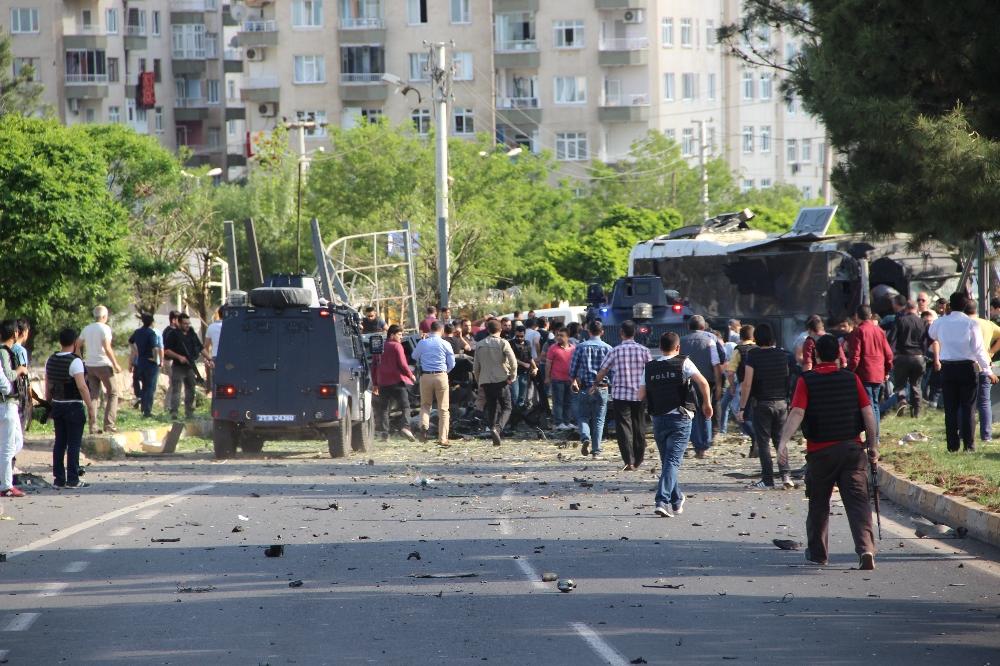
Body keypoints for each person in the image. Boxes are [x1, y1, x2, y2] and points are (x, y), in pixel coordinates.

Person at [776, 334, 879, 570]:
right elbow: (868, 414)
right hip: (852, 450)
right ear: (838, 355)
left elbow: (797, 413)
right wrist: (872, 446)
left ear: (816, 355)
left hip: (820, 453)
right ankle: (866, 549)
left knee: (819, 504)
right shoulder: (851, 379)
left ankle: (818, 554)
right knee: (858, 502)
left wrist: (783, 443)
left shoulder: (807, 380)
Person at [641, 332, 713, 518]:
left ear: (660, 348)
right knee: (672, 462)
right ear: (678, 347)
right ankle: (662, 500)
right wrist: (707, 404)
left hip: (658, 419)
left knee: (668, 463)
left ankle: (677, 498)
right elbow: (703, 382)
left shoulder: (649, 367)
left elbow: (640, 395)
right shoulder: (684, 362)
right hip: (680, 417)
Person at [928, 292, 998, 452]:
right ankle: (969, 445)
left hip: (948, 367)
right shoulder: (971, 324)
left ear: (949, 305)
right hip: (968, 367)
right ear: (966, 306)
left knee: (950, 408)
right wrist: (987, 370)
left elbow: (931, 333)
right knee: (968, 408)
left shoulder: (941, 322)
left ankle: (952, 445)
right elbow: (979, 349)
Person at [737, 323, 794, 489]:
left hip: (762, 403)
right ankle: (786, 475)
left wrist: (742, 408)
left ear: (756, 338)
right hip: (782, 402)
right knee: (780, 441)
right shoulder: (783, 354)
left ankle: (768, 480)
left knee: (763, 442)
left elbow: (747, 383)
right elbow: (788, 377)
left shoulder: (753, 355)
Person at [593, 320, 651, 471]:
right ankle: (638, 459)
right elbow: (651, 370)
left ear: (621, 333)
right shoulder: (644, 351)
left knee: (624, 428)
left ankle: (629, 461)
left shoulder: (615, 351)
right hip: (639, 394)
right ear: (635, 333)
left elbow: (603, 371)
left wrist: (594, 384)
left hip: (620, 394)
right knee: (639, 426)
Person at [45, 327, 96, 490]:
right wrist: (90, 407)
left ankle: (59, 479)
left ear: (60, 342)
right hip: (73, 406)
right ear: (75, 342)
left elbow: (48, 385)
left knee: (60, 442)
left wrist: (48, 403)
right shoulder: (75, 361)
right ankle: (73, 479)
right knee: (74, 444)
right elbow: (82, 386)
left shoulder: (50, 360)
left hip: (57, 405)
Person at [680, 316, 724, 458]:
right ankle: (704, 446)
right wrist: (718, 385)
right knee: (706, 411)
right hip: (707, 382)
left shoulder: (681, 341)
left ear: (688, 327)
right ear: (703, 327)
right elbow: (716, 365)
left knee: (691, 413)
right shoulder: (710, 341)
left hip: (687, 382)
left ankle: (696, 444)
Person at [847, 304, 894, 431]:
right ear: (870, 315)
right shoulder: (880, 331)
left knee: (868, 406)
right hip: (878, 373)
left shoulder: (858, 331)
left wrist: (848, 371)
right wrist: (886, 370)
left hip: (864, 373)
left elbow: (855, 357)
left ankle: (872, 437)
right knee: (875, 405)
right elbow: (889, 354)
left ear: (857, 316)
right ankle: (875, 436)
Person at [570, 320, 613, 459]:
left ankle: (585, 437)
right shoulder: (608, 348)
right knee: (599, 420)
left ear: (588, 331)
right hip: (602, 388)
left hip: (585, 387)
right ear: (602, 332)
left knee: (583, 416)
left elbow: (573, 369)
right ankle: (596, 451)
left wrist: (574, 380)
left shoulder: (580, 347)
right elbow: (612, 371)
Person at [473, 319, 517, 446]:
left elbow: (476, 366)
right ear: (500, 330)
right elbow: (513, 362)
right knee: (507, 407)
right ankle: (497, 428)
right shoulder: (503, 343)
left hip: (486, 381)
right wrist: (512, 377)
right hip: (501, 379)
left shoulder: (480, 344)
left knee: (492, 406)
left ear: (487, 330)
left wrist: (479, 380)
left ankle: (492, 429)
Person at [411, 320, 455, 445]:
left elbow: (414, 356)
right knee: (443, 408)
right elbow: (452, 362)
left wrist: (422, 342)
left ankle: (424, 427)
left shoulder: (423, 343)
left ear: (430, 330)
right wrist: (445, 371)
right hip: (441, 375)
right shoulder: (445, 343)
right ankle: (442, 438)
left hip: (426, 376)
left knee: (425, 405)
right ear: (441, 330)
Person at [80, 305, 122, 433]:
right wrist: (115, 364)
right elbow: (107, 347)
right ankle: (109, 425)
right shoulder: (105, 328)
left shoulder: (87, 328)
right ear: (104, 316)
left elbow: (78, 344)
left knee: (93, 395)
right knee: (113, 392)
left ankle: (93, 426)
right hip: (103, 364)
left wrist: (79, 358)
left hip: (90, 364)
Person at [372, 325, 416, 442]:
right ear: (392, 335)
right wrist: (410, 375)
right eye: (399, 334)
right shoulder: (397, 346)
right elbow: (403, 364)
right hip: (397, 381)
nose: (401, 337)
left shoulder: (379, 346)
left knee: (384, 409)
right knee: (405, 406)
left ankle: (384, 434)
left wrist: (375, 383)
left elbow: (374, 366)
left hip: (382, 383)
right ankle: (406, 427)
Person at [0, 321, 27, 497]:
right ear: (15, 333)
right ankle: (6, 486)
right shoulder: (4, 352)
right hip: (6, 403)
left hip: (11, 403)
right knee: (8, 447)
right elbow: (7, 377)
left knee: (16, 442)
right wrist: (20, 370)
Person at [967, 299, 1000, 441]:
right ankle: (986, 436)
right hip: (985, 364)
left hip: (967, 365)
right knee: (985, 402)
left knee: (967, 402)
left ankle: (966, 434)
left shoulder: (963, 324)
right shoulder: (987, 324)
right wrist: (991, 351)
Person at [163, 313, 206, 421]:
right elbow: (167, 350)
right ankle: (174, 412)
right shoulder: (173, 334)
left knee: (191, 389)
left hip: (190, 366)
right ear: (179, 322)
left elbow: (200, 348)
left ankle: (189, 412)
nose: (187, 325)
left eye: (188, 323)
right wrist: (179, 357)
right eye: (185, 323)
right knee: (176, 390)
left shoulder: (192, 333)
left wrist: (209, 359)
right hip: (178, 366)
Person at [891, 300, 927, 417]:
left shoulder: (900, 321)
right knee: (916, 384)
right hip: (918, 357)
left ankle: (902, 399)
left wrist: (893, 355)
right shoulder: (923, 322)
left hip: (902, 356)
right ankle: (916, 412)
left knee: (900, 383)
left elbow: (892, 339)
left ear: (905, 309)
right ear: (916, 309)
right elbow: (928, 340)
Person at [726, 325, 756, 443]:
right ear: (753, 336)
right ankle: (757, 440)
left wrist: (732, 387)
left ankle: (754, 437)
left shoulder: (739, 350)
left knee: (739, 413)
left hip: (743, 385)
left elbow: (730, 372)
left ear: (740, 336)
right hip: (759, 387)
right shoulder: (758, 348)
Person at [128, 313, 163, 418]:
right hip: (150, 362)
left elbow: (130, 341)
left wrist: (136, 351)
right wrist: (156, 359)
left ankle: (143, 409)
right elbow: (155, 348)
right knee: (150, 387)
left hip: (140, 361)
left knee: (144, 386)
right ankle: (147, 411)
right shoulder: (151, 333)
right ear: (152, 322)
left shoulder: (137, 332)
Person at [545, 328, 576, 430]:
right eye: (558, 335)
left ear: (568, 337)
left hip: (570, 379)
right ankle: (558, 422)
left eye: (561, 335)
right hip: (557, 379)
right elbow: (548, 363)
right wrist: (547, 377)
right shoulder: (553, 348)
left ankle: (567, 422)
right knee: (558, 402)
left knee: (568, 401)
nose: (559, 337)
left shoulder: (573, 348)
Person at [508, 326, 535, 408]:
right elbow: (511, 358)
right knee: (515, 395)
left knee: (522, 396)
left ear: (524, 335)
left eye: (521, 336)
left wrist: (535, 367)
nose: (519, 338)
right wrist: (523, 364)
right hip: (514, 373)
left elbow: (530, 357)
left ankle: (520, 414)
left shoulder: (527, 343)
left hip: (524, 373)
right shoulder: (511, 343)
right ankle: (514, 413)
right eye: (517, 336)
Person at [161, 310, 180, 412]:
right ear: (173, 320)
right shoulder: (169, 332)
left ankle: (170, 406)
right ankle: (168, 406)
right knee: (174, 383)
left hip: (173, 361)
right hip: (170, 361)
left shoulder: (174, 331)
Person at [203, 307, 223, 393]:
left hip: (216, 357)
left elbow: (206, 345)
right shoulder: (235, 326)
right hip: (232, 357)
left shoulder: (211, 327)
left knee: (217, 381)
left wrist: (207, 358)